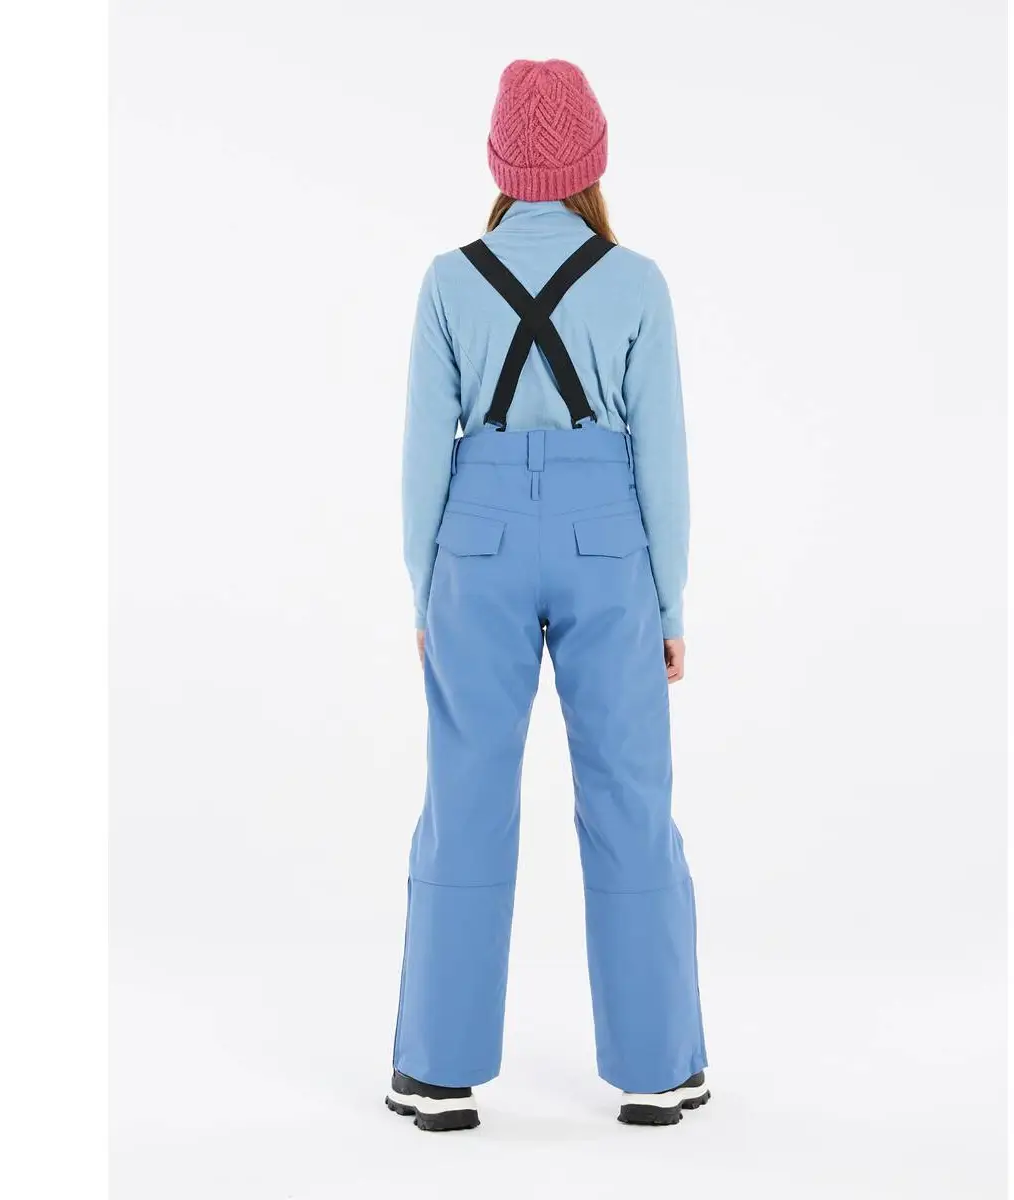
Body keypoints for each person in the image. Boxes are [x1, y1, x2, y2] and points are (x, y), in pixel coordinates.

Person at [387, 58, 708, 1132]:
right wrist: (670, 605)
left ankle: (437, 1076)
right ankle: (657, 1071)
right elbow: (662, 461)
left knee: (464, 795)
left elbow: (422, 458)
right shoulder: (637, 281)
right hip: (605, 535)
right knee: (629, 794)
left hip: (475, 539)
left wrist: (425, 593)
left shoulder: (448, 280)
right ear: (592, 161)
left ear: (499, 161)